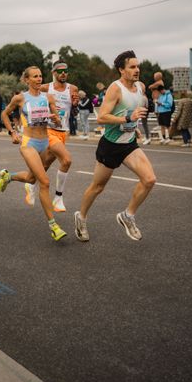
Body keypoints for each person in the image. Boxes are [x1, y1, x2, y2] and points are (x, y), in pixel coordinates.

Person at [74, 50, 156, 243]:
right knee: (97, 187)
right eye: (132, 67)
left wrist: (133, 126)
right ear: (121, 70)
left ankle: (128, 216)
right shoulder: (115, 88)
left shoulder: (141, 87)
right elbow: (101, 117)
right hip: (110, 145)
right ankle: (81, 218)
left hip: (128, 143)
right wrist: (128, 118)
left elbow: (132, 111)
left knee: (149, 179)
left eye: (138, 66)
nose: (137, 70)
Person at [0, 66, 67, 242]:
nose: (38, 79)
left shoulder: (48, 97)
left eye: (40, 76)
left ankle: (8, 176)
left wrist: (55, 118)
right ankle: (54, 226)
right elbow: (4, 114)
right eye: (34, 77)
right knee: (44, 182)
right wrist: (12, 133)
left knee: (31, 178)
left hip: (45, 142)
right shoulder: (20, 98)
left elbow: (57, 119)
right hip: (29, 143)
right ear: (26, 80)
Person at [22, 61, 79, 213]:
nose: (63, 74)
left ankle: (30, 184)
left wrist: (75, 105)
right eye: (60, 71)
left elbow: (74, 114)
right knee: (66, 160)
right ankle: (58, 198)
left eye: (66, 71)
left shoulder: (73, 89)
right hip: (48, 131)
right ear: (53, 73)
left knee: (44, 166)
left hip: (63, 132)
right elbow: (32, 100)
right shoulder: (46, 88)